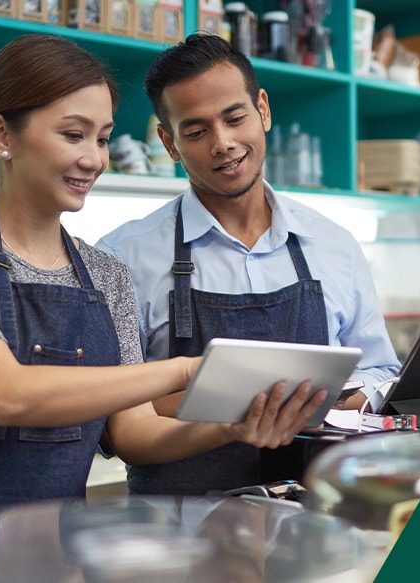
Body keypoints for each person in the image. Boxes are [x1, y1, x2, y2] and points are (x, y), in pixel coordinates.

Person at [0, 34, 326, 568]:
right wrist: (188, 371)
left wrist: (230, 427)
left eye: (102, 139)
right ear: (1, 134)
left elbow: (134, 432)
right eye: (74, 135)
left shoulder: (105, 273)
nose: (94, 159)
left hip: (44, 557)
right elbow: (3, 394)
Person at [96, 33, 402, 496]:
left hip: (315, 526)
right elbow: (118, 417)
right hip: (178, 538)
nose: (223, 143)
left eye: (234, 118)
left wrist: (334, 397)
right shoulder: (121, 257)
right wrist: (254, 407)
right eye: (196, 132)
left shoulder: (333, 245)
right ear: (169, 142)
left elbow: (382, 373)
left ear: (262, 109)